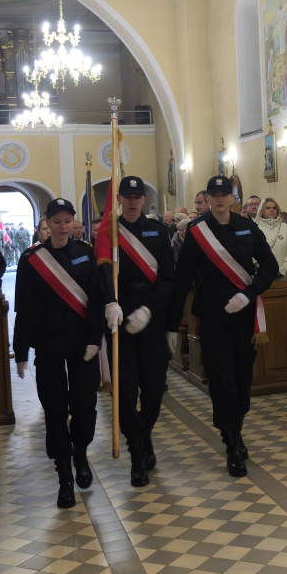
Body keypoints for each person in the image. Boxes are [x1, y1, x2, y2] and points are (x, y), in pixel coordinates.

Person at [169, 176, 279, 477]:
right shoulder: (196, 232)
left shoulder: (247, 227)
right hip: (214, 317)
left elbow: (270, 266)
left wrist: (249, 294)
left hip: (244, 317)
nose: (219, 199)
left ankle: (236, 430)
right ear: (207, 197)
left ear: (233, 198)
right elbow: (182, 280)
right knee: (222, 380)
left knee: (243, 379)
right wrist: (170, 324)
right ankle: (231, 442)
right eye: (213, 194)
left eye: (224, 194)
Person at [14, 198, 105, 509]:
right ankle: (63, 474)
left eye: (68, 221)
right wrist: (20, 350)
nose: (63, 226)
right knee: (54, 411)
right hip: (49, 344)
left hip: (82, 344)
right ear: (47, 224)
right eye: (57, 221)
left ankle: (80, 451)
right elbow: (24, 306)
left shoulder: (86, 253)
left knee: (84, 406)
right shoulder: (32, 260)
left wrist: (96, 337)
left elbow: (96, 298)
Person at [99, 177, 175, 487]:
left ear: (144, 199)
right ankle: (137, 456)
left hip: (151, 318)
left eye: (137, 196)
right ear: (118, 198)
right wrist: (110, 302)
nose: (132, 201)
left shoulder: (158, 231)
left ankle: (143, 436)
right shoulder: (108, 233)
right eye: (127, 196)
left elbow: (168, 278)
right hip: (120, 320)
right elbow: (101, 274)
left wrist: (151, 310)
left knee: (154, 390)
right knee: (126, 393)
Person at [256, 198, 287, 281]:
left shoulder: (286, 228)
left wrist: (283, 270)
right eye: (268, 208)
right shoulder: (255, 228)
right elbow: (252, 253)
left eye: (274, 208)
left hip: (286, 275)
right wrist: (267, 271)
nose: (271, 210)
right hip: (263, 276)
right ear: (262, 210)